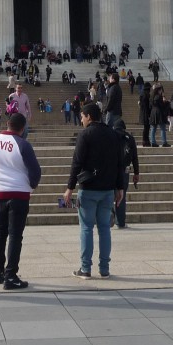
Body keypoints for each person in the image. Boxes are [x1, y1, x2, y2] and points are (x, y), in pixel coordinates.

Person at [63, 103, 125, 279]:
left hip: (89, 189)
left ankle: (86, 268)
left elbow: (77, 163)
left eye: (82, 116)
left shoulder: (86, 134)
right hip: (107, 190)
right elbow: (120, 163)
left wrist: (69, 188)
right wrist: (120, 187)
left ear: (89, 116)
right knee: (105, 228)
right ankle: (104, 269)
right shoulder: (113, 134)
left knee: (86, 228)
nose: (81, 119)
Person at [0, 113, 41, 289]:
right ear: (22, 128)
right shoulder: (22, 144)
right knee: (15, 235)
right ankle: (11, 275)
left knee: (0, 232)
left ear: (7, 124)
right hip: (19, 192)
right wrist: (31, 186)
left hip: (0, 192)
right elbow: (35, 171)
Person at [112, 119, 139, 228]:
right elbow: (135, 158)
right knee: (121, 196)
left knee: (109, 194)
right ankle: (121, 222)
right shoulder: (130, 138)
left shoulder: (110, 136)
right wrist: (136, 173)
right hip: (125, 170)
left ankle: (109, 215)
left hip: (111, 170)